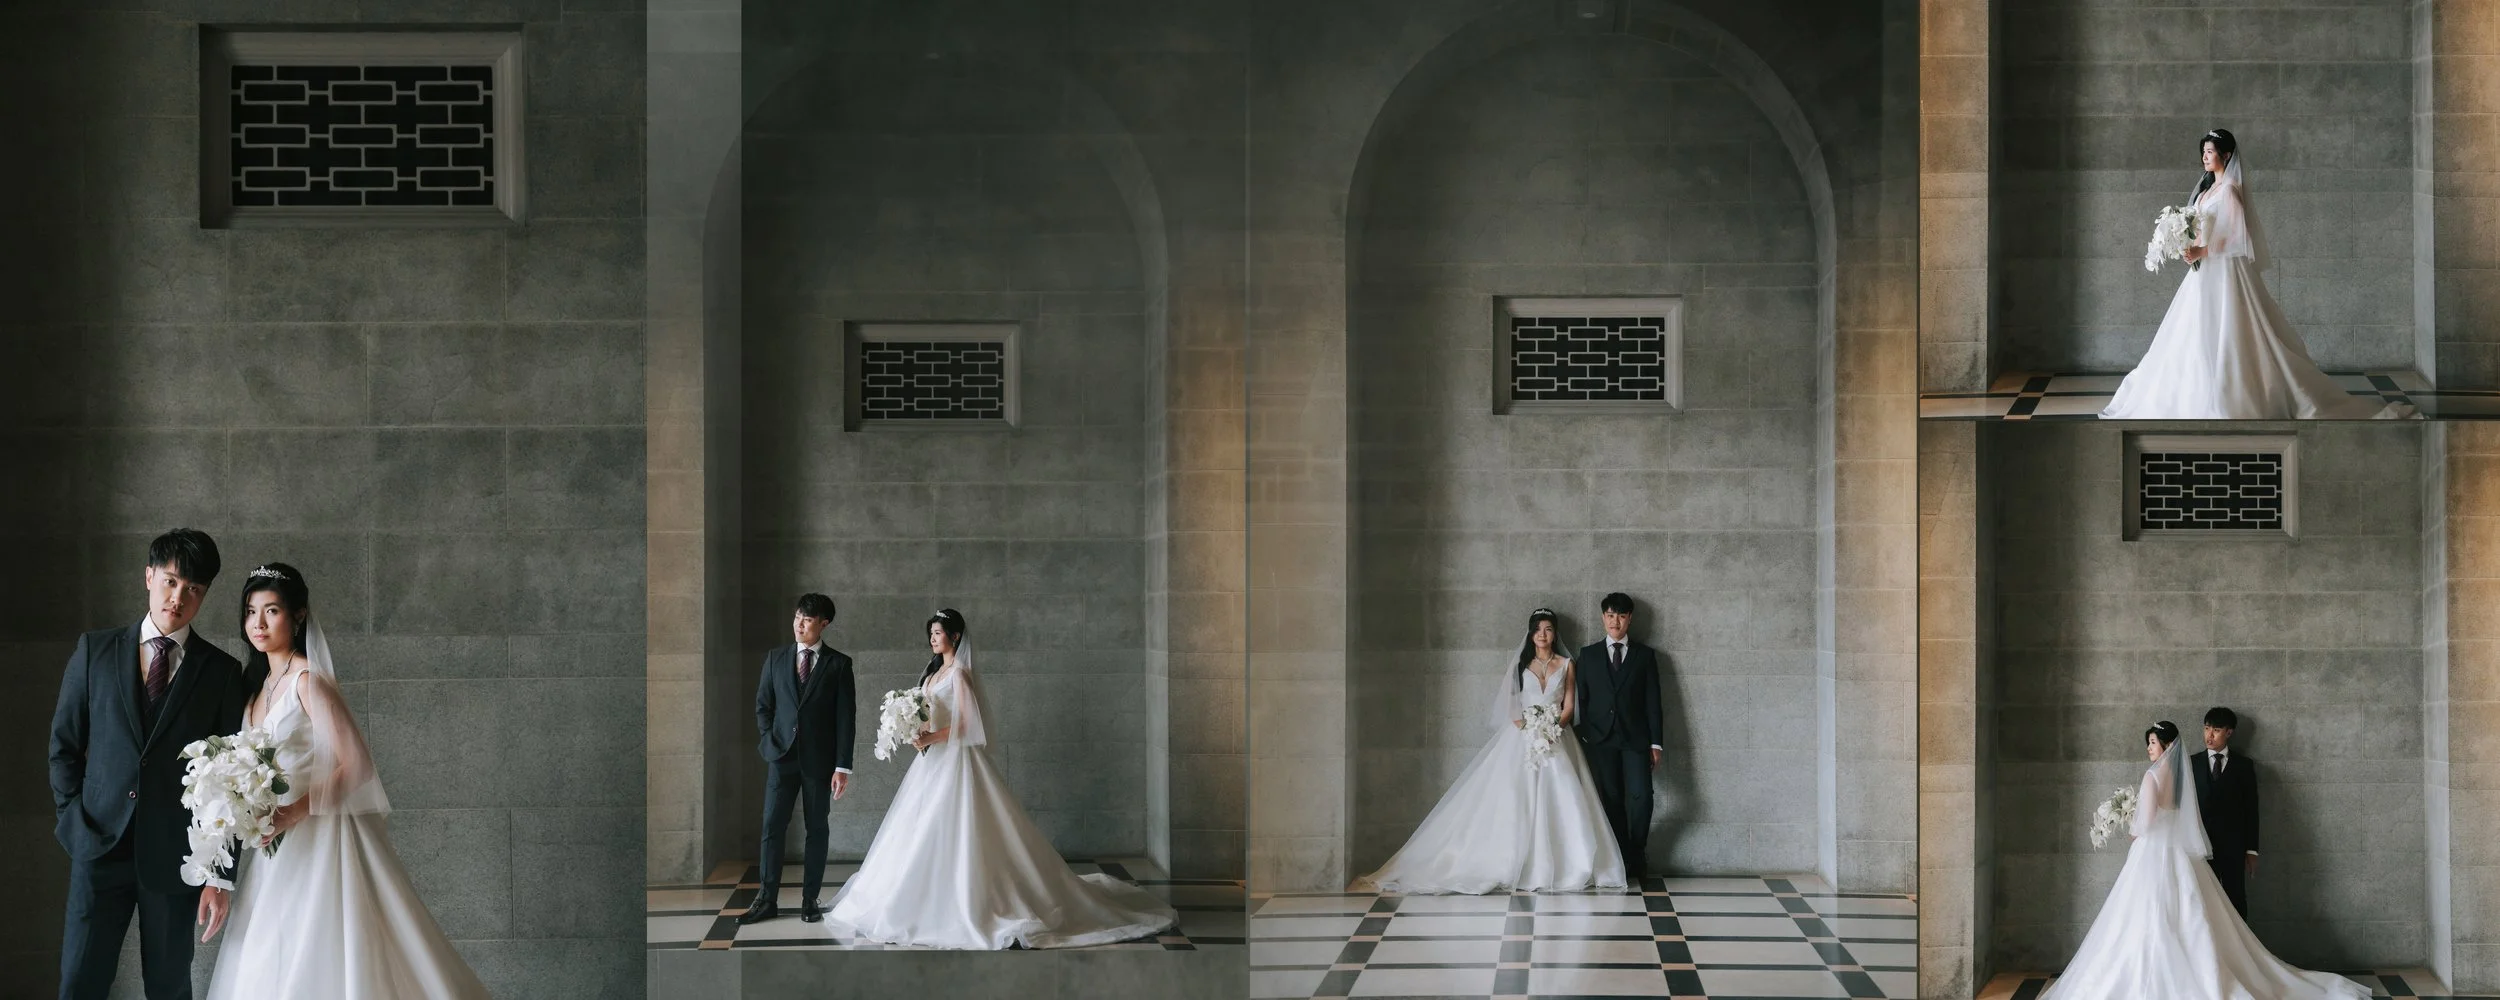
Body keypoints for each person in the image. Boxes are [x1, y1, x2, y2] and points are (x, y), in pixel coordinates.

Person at [201, 563, 489, 998]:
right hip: (274, 846)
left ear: (298, 616)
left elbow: (357, 766)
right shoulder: (255, 687)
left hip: (316, 835)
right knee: (268, 949)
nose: (257, 623)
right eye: (250, 611)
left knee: (321, 945)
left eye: (272, 610)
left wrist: (291, 812)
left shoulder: (307, 680)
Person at [827, 609, 1176, 948]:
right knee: (918, 828)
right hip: (931, 762)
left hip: (956, 761)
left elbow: (968, 724)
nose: (933, 639)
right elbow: (931, 714)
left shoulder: (960, 674)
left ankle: (968, 902)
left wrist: (932, 737)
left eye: (938, 633)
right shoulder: (933, 672)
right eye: (931, 633)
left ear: (956, 636)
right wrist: (915, 730)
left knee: (962, 827)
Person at [50, 529, 256, 1000]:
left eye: (193, 589)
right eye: (170, 581)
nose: (178, 597)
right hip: (98, 846)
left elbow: (229, 782)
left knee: (168, 986)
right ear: (149, 576)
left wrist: (218, 874)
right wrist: (73, 819)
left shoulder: (221, 674)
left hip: (175, 857)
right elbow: (63, 746)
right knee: (80, 982)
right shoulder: (94, 652)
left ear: (203, 595)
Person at [2100, 128, 2414, 420]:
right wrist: (2188, 246)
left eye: (2211, 152)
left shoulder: (2231, 191)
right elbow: (2203, 229)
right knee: (2194, 330)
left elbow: (2238, 238)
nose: (2205, 157)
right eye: (2204, 152)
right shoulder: (2206, 192)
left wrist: (2202, 251)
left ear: (2226, 156)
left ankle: (2237, 395)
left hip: (2226, 272)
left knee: (2233, 330)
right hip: (2203, 273)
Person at [2041, 722, 2363, 1000]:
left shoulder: (2152, 776)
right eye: (2149, 743)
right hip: (2178, 854)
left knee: (2144, 913)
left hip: (2153, 852)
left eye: (2153, 743)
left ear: (2166, 745)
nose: (2149, 749)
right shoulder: (2181, 777)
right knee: (2187, 912)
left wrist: (2131, 826)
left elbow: (2147, 821)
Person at [1355, 609, 1626, 893]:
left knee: (1564, 797)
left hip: (1556, 737)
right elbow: (1511, 705)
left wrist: (1551, 728)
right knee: (1513, 799)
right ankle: (1510, 861)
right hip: (1522, 738)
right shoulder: (1521, 665)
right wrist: (1529, 729)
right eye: (1537, 629)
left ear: (1555, 633)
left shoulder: (1568, 664)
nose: (1543, 635)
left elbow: (1569, 705)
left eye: (1548, 629)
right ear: (1531, 633)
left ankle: (1565, 864)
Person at [739, 593, 857, 925]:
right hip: (781, 757)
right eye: (796, 618)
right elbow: (763, 705)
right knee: (771, 827)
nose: (799, 625)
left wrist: (842, 766)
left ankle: (809, 899)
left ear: (824, 623)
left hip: (820, 763)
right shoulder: (776, 658)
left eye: (806, 620)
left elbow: (846, 719)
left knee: (817, 829)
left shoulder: (838, 664)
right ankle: (766, 899)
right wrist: (768, 740)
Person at [1572, 592, 1664, 881]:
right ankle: (1622, 856)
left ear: (1630, 619)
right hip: (1600, 740)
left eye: (1621, 616)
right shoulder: (1587, 655)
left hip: (1636, 740)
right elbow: (1580, 700)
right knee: (1610, 799)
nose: (1615, 621)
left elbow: (1653, 701)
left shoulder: (1645, 656)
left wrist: (1656, 742)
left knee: (1642, 797)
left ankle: (1637, 852)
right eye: (1610, 615)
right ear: (1603, 618)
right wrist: (1586, 734)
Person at [2191, 706, 2259, 917]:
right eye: (2206, 728)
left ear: (2229, 732)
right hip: (2200, 845)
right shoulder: (2191, 763)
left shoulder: (2244, 766)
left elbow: (2251, 809)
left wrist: (2251, 850)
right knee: (2201, 899)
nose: (2209, 735)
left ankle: (2240, 948)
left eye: (2216, 730)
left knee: (2235, 897)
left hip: (2233, 846)